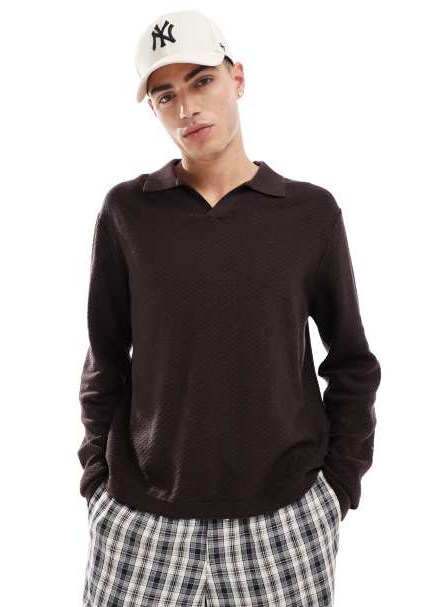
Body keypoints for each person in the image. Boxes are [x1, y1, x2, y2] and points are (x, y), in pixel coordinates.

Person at [78, 9, 381, 606]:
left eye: (201, 81)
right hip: (143, 522)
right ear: (154, 109)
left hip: (284, 522)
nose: (187, 108)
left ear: (237, 77)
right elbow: (104, 360)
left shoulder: (310, 214)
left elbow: (352, 363)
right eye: (166, 95)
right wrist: (97, 483)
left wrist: (338, 487)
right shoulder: (127, 213)